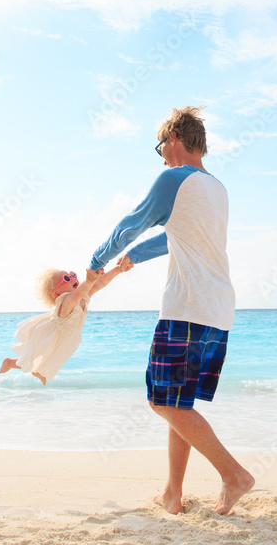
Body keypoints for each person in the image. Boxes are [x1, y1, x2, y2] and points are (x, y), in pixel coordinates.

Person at [89, 106, 254, 515]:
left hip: (187, 305)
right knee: (178, 401)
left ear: (174, 139)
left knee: (162, 401)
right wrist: (132, 260)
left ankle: (234, 475)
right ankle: (172, 494)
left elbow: (133, 222)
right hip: (218, 306)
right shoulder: (217, 188)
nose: (161, 155)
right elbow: (171, 239)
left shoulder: (172, 178)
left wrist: (96, 263)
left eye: (161, 145)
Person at [0, 263, 129, 383]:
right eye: (66, 279)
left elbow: (100, 284)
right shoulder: (67, 301)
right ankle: (10, 362)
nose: (72, 279)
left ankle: (38, 371)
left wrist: (118, 269)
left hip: (68, 336)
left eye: (72, 275)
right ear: (57, 294)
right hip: (53, 335)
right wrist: (90, 280)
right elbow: (77, 295)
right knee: (33, 357)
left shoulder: (83, 295)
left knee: (55, 359)